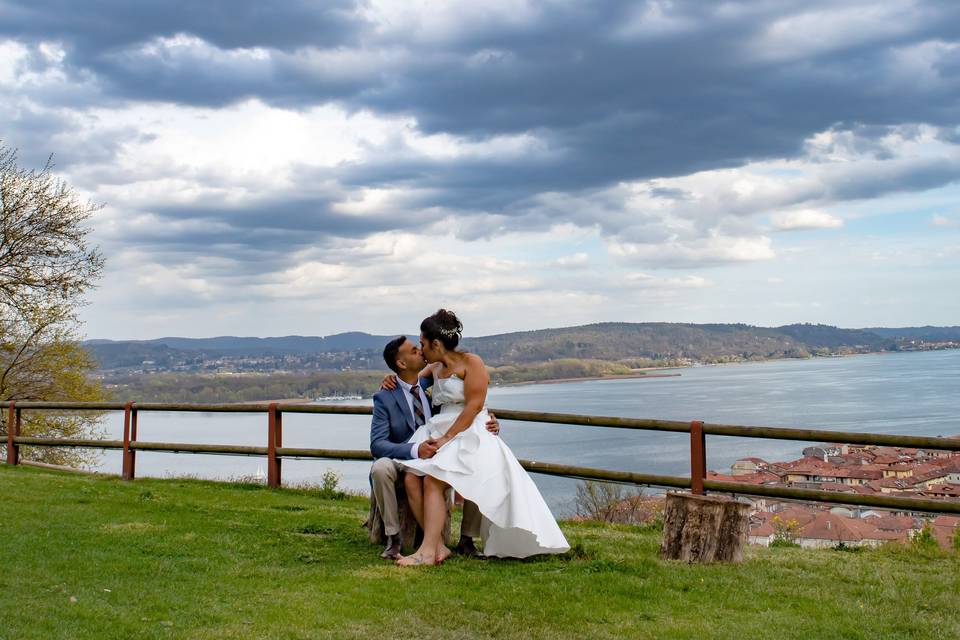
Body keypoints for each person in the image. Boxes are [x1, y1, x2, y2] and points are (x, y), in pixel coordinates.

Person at [396, 309, 570, 566]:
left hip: (469, 429)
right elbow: (409, 382)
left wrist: (448, 438)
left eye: (422, 344)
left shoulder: (472, 363)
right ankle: (436, 546)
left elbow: (474, 405)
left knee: (435, 479)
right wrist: (390, 380)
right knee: (413, 476)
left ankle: (430, 551)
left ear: (436, 343)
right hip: (440, 426)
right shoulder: (434, 367)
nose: (420, 351)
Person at [370, 335, 499, 560]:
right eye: (413, 350)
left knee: (474, 462)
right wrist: (414, 451)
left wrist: (486, 418)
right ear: (401, 364)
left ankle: (463, 540)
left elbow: (458, 401)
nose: (420, 351)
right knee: (381, 469)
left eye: (419, 347)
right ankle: (395, 538)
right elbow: (377, 444)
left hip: (437, 450)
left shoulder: (429, 383)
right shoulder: (385, 396)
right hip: (404, 453)